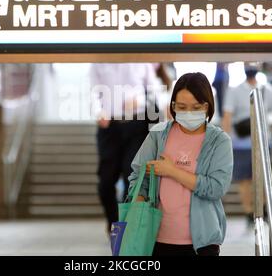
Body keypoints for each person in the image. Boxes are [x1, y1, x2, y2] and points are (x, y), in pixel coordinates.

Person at [128, 72, 233, 256]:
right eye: (182, 107)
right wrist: (139, 206)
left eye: (196, 107)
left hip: (202, 244)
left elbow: (217, 187)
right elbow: (138, 176)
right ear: (173, 106)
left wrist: (172, 171)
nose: (188, 113)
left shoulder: (219, 141)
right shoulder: (158, 134)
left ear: (207, 106)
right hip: (156, 240)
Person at [90, 63, 159, 232]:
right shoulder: (98, 61)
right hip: (109, 126)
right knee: (105, 182)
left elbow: (154, 89)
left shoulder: (141, 59)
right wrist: (98, 111)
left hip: (136, 124)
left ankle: (127, 224)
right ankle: (113, 222)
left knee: (132, 176)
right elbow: (92, 90)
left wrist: (140, 100)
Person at [222, 63, 272, 227]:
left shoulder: (267, 90)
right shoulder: (235, 90)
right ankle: (250, 211)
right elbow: (227, 117)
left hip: (262, 142)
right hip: (242, 143)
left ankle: (258, 209)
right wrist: (225, 139)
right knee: (245, 179)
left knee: (259, 179)